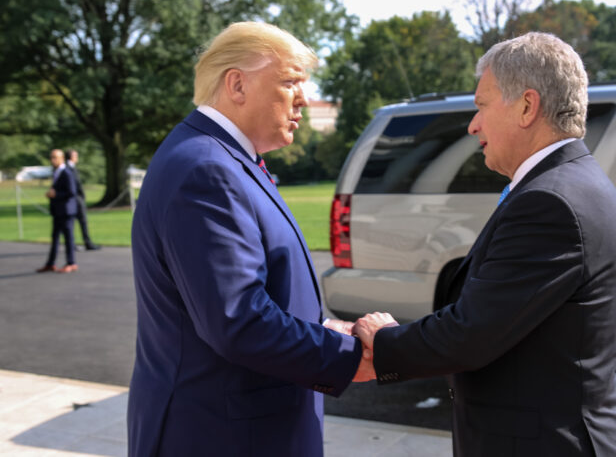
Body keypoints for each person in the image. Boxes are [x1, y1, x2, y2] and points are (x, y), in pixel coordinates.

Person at [354, 32, 616, 456]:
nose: (473, 125)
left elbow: (471, 333)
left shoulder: (551, 201)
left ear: (527, 106)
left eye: (481, 105)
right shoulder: (571, 184)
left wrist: (385, 340)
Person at [127, 22, 372, 457]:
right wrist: (350, 354)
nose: (303, 98)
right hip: (223, 435)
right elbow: (238, 320)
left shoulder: (225, 158)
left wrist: (322, 329)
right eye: (291, 82)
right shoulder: (206, 168)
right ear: (237, 84)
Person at [37, 149, 78, 273]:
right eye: (51, 157)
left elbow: (72, 192)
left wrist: (56, 194)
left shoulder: (67, 173)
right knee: (55, 238)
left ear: (61, 158)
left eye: (55, 157)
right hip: (57, 211)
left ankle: (71, 263)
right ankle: (50, 263)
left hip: (66, 211)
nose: (52, 160)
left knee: (68, 238)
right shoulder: (56, 172)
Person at [65, 149, 100, 251]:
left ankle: (84, 242)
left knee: (79, 222)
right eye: (76, 156)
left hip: (76, 198)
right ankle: (86, 243)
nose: (77, 158)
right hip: (75, 199)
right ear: (71, 157)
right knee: (81, 221)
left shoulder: (71, 168)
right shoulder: (68, 169)